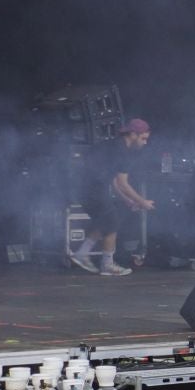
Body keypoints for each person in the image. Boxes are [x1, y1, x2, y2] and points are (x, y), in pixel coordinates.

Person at [68, 117, 153, 276]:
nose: (145, 143)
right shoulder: (123, 152)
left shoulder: (113, 146)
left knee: (107, 221)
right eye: (143, 138)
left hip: (85, 188)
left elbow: (113, 179)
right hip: (90, 189)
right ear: (133, 134)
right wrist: (142, 202)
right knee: (112, 221)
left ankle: (82, 253)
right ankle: (107, 264)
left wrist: (127, 200)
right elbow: (123, 183)